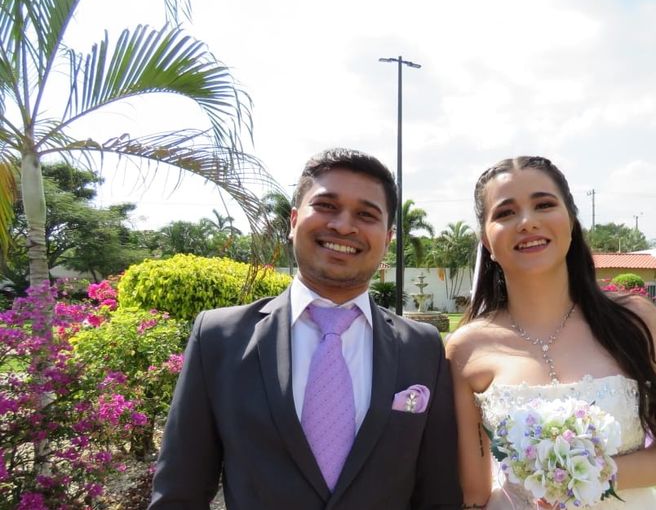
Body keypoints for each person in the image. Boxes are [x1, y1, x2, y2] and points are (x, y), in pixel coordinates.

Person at [150, 148, 461, 509]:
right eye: (327, 206)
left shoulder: (421, 347)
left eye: (366, 214)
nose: (344, 225)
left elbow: (438, 494)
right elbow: (179, 494)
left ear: (388, 238)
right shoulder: (220, 337)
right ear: (294, 220)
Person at [446, 156, 656, 509]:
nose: (527, 222)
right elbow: (473, 494)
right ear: (486, 242)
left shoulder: (634, 320)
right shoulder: (466, 348)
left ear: (570, 220)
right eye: (505, 213)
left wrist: (583, 477)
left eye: (544, 205)